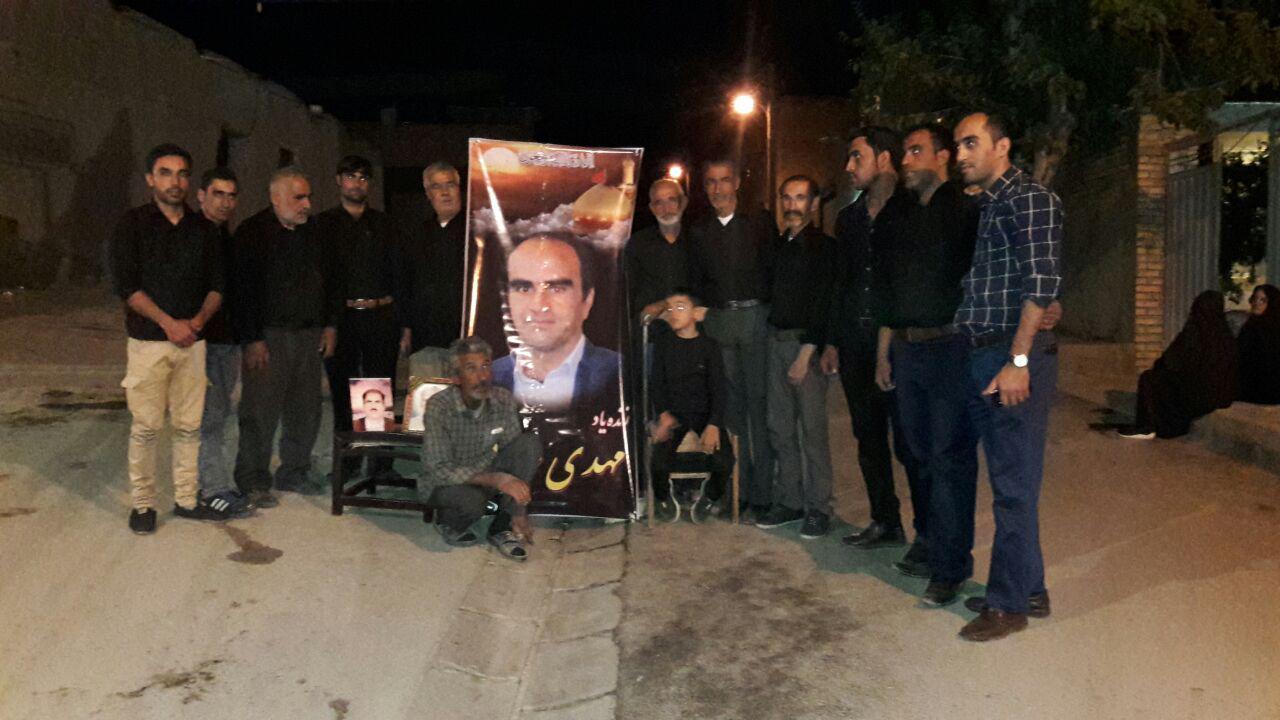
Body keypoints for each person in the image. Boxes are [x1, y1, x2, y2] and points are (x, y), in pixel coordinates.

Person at [944, 112, 1063, 641]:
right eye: (957, 145)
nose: (960, 155)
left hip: (1007, 356)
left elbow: (1041, 284)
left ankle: (1007, 606)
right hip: (983, 352)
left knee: (1013, 487)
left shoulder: (1029, 199)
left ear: (1003, 146)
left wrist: (1017, 361)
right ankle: (1028, 588)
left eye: (971, 143)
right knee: (1011, 481)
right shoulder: (990, 205)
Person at [872, 124, 978, 579]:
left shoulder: (966, 209)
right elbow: (887, 289)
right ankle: (928, 539)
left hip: (950, 348)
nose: (906, 161)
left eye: (916, 151)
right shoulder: (899, 213)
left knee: (948, 456)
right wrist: (884, 352)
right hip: (906, 349)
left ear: (943, 156)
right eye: (904, 153)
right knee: (914, 451)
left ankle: (951, 565)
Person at [109, 143, 230, 533]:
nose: (174, 181)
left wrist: (196, 322)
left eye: (181, 173)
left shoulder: (203, 230)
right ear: (150, 179)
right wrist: (168, 324)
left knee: (188, 427)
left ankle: (186, 499)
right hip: (149, 343)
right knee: (146, 427)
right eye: (165, 173)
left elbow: (217, 286)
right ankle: (143, 505)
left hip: (193, 343)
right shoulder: (132, 225)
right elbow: (128, 287)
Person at [819, 128, 923, 549]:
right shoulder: (849, 219)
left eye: (856, 157)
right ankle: (886, 521)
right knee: (868, 438)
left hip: (899, 344)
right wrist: (832, 341)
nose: (848, 166)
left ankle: (929, 535)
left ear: (883, 159)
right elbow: (841, 282)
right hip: (855, 342)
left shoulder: (913, 210)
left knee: (911, 442)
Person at [232, 166, 336, 508]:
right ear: (276, 198)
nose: (307, 204)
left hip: (308, 336)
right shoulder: (252, 233)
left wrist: (330, 325)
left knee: (306, 410)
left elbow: (332, 281)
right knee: (260, 411)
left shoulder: (315, 232)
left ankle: (295, 471)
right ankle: (252, 479)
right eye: (298, 197)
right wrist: (252, 339)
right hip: (269, 338)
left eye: (308, 197)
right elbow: (242, 291)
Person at [686, 158, 776, 519]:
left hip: (754, 319)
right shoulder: (700, 231)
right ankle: (736, 492)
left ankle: (763, 495)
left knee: (759, 409)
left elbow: (772, 270)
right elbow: (696, 280)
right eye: (711, 182)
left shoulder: (758, 222)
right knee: (730, 412)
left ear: (737, 182)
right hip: (719, 323)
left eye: (724, 180)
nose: (718, 189)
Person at [753, 176, 838, 538]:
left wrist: (807, 353)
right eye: (787, 198)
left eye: (800, 198)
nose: (792, 205)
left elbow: (825, 303)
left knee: (813, 432)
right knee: (780, 428)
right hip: (775, 343)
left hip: (806, 348)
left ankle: (820, 508)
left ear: (814, 204)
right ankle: (790, 501)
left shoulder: (825, 249)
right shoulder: (777, 247)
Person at [315, 155, 403, 480]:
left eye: (363, 178)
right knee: (343, 392)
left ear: (370, 184)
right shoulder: (323, 225)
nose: (357, 183)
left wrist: (401, 321)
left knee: (377, 392)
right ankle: (348, 463)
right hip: (342, 319)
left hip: (380, 316)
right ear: (339, 180)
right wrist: (327, 323)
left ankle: (380, 465)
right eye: (351, 176)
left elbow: (398, 273)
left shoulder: (384, 224)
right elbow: (320, 278)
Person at [420, 336, 542, 561]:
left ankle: (501, 526)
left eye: (485, 366)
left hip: (487, 474)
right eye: (471, 369)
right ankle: (449, 522)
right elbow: (439, 469)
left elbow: (514, 454)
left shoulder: (502, 399)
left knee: (528, 444)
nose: (482, 376)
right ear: (456, 377)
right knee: (471, 503)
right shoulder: (439, 406)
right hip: (450, 484)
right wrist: (497, 479)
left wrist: (519, 509)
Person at [492, 233, 620, 412]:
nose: (538, 306)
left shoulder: (621, 375)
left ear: (587, 301)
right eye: (524, 288)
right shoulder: (487, 378)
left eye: (557, 289)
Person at [193, 166, 253, 519]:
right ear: (201, 195)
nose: (226, 202)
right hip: (202, 343)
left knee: (219, 415)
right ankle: (211, 490)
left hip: (227, 342)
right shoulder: (191, 236)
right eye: (218, 194)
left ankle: (215, 483)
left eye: (231, 196)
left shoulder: (226, 238)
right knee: (209, 419)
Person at [648, 290, 734, 521]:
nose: (673, 313)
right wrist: (663, 414)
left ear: (696, 314)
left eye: (680, 307)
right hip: (674, 414)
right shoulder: (664, 345)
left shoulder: (709, 346)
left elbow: (718, 388)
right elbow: (657, 383)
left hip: (704, 414)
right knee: (658, 461)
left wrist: (714, 423)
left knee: (724, 461)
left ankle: (710, 497)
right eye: (670, 308)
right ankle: (663, 497)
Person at [1118, 290, 1239, 439]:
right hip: (1220, 397)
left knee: (1149, 379)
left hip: (1199, 395)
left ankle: (1148, 427)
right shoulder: (1225, 335)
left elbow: (1171, 361)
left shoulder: (1194, 332)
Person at [400, 161, 466, 376]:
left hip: (468, 341)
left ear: (459, 189)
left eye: (450, 184)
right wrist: (406, 329)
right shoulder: (417, 234)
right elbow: (408, 283)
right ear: (428, 194)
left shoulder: (477, 231)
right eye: (437, 187)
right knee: (429, 396)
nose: (445, 192)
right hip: (426, 339)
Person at [1237, 284, 1280, 405]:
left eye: (1263, 300)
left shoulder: (1271, 328)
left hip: (1266, 391)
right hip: (1250, 389)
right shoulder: (1251, 325)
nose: (1257, 303)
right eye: (1255, 298)